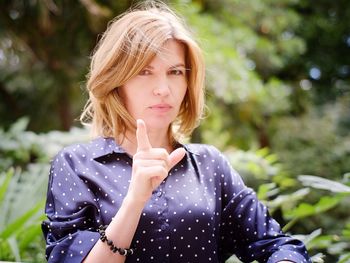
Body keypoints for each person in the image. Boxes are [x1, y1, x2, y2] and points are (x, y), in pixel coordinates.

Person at [42, 1, 311, 262]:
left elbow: (276, 245)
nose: (163, 88)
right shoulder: (77, 165)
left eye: (175, 71)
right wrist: (135, 200)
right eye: (145, 72)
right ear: (116, 81)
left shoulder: (210, 166)